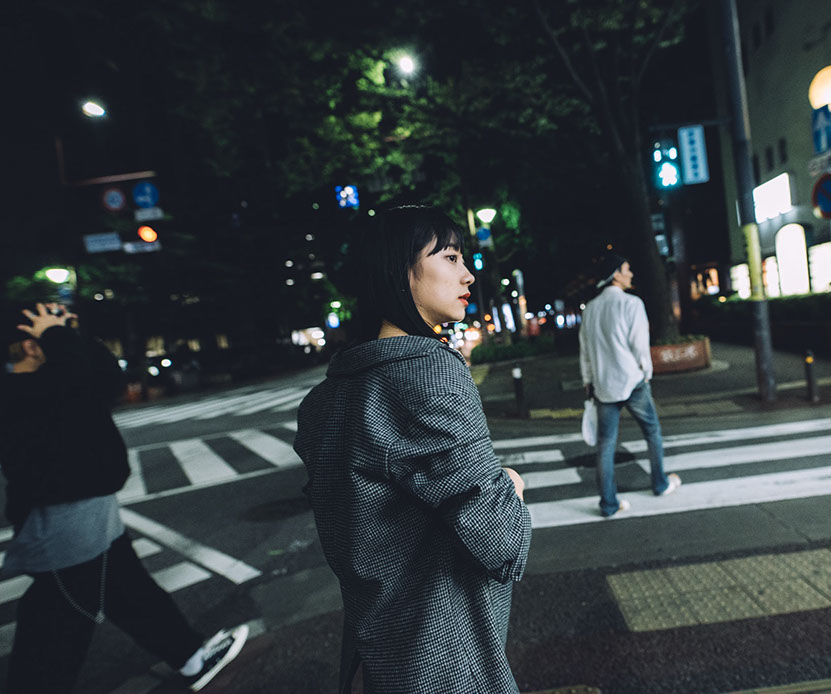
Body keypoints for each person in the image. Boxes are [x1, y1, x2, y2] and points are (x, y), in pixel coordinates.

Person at [294, 206, 531, 694]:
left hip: (377, 654)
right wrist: (511, 486)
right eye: (449, 257)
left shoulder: (325, 400)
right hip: (446, 658)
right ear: (401, 271)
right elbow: (500, 540)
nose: (467, 274)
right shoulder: (429, 373)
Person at [0, 302, 248, 693]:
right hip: (65, 524)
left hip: (92, 512)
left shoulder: (60, 378)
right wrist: (58, 337)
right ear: (31, 346)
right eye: (51, 332)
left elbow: (106, 377)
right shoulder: (19, 390)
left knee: (131, 593)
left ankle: (190, 657)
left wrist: (67, 335)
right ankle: (189, 657)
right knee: (53, 638)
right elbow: (77, 378)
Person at [579, 252, 681, 517]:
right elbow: (639, 344)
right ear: (616, 275)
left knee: (605, 443)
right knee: (652, 431)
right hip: (632, 380)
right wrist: (646, 371)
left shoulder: (590, 309)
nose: (631, 274)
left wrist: (588, 381)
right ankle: (659, 483)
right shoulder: (631, 303)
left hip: (603, 385)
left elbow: (585, 351)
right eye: (627, 269)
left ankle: (608, 503)